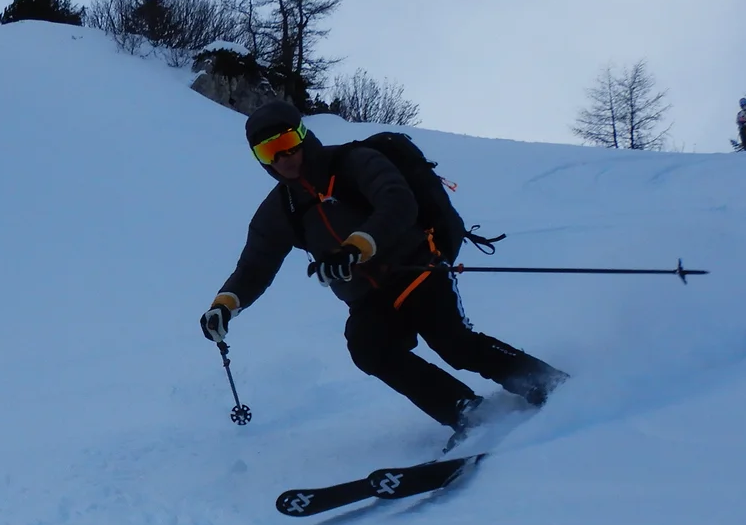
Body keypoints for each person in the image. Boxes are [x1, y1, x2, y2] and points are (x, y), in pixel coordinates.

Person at [199, 100, 566, 451]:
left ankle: (545, 383)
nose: (283, 158)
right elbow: (254, 266)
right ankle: (465, 411)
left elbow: (397, 201)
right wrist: (225, 305)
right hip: (367, 296)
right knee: (368, 347)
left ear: (303, 136)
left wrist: (355, 247)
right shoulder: (281, 209)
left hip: (414, 267)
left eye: (286, 144)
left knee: (452, 343)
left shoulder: (353, 162)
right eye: (269, 152)